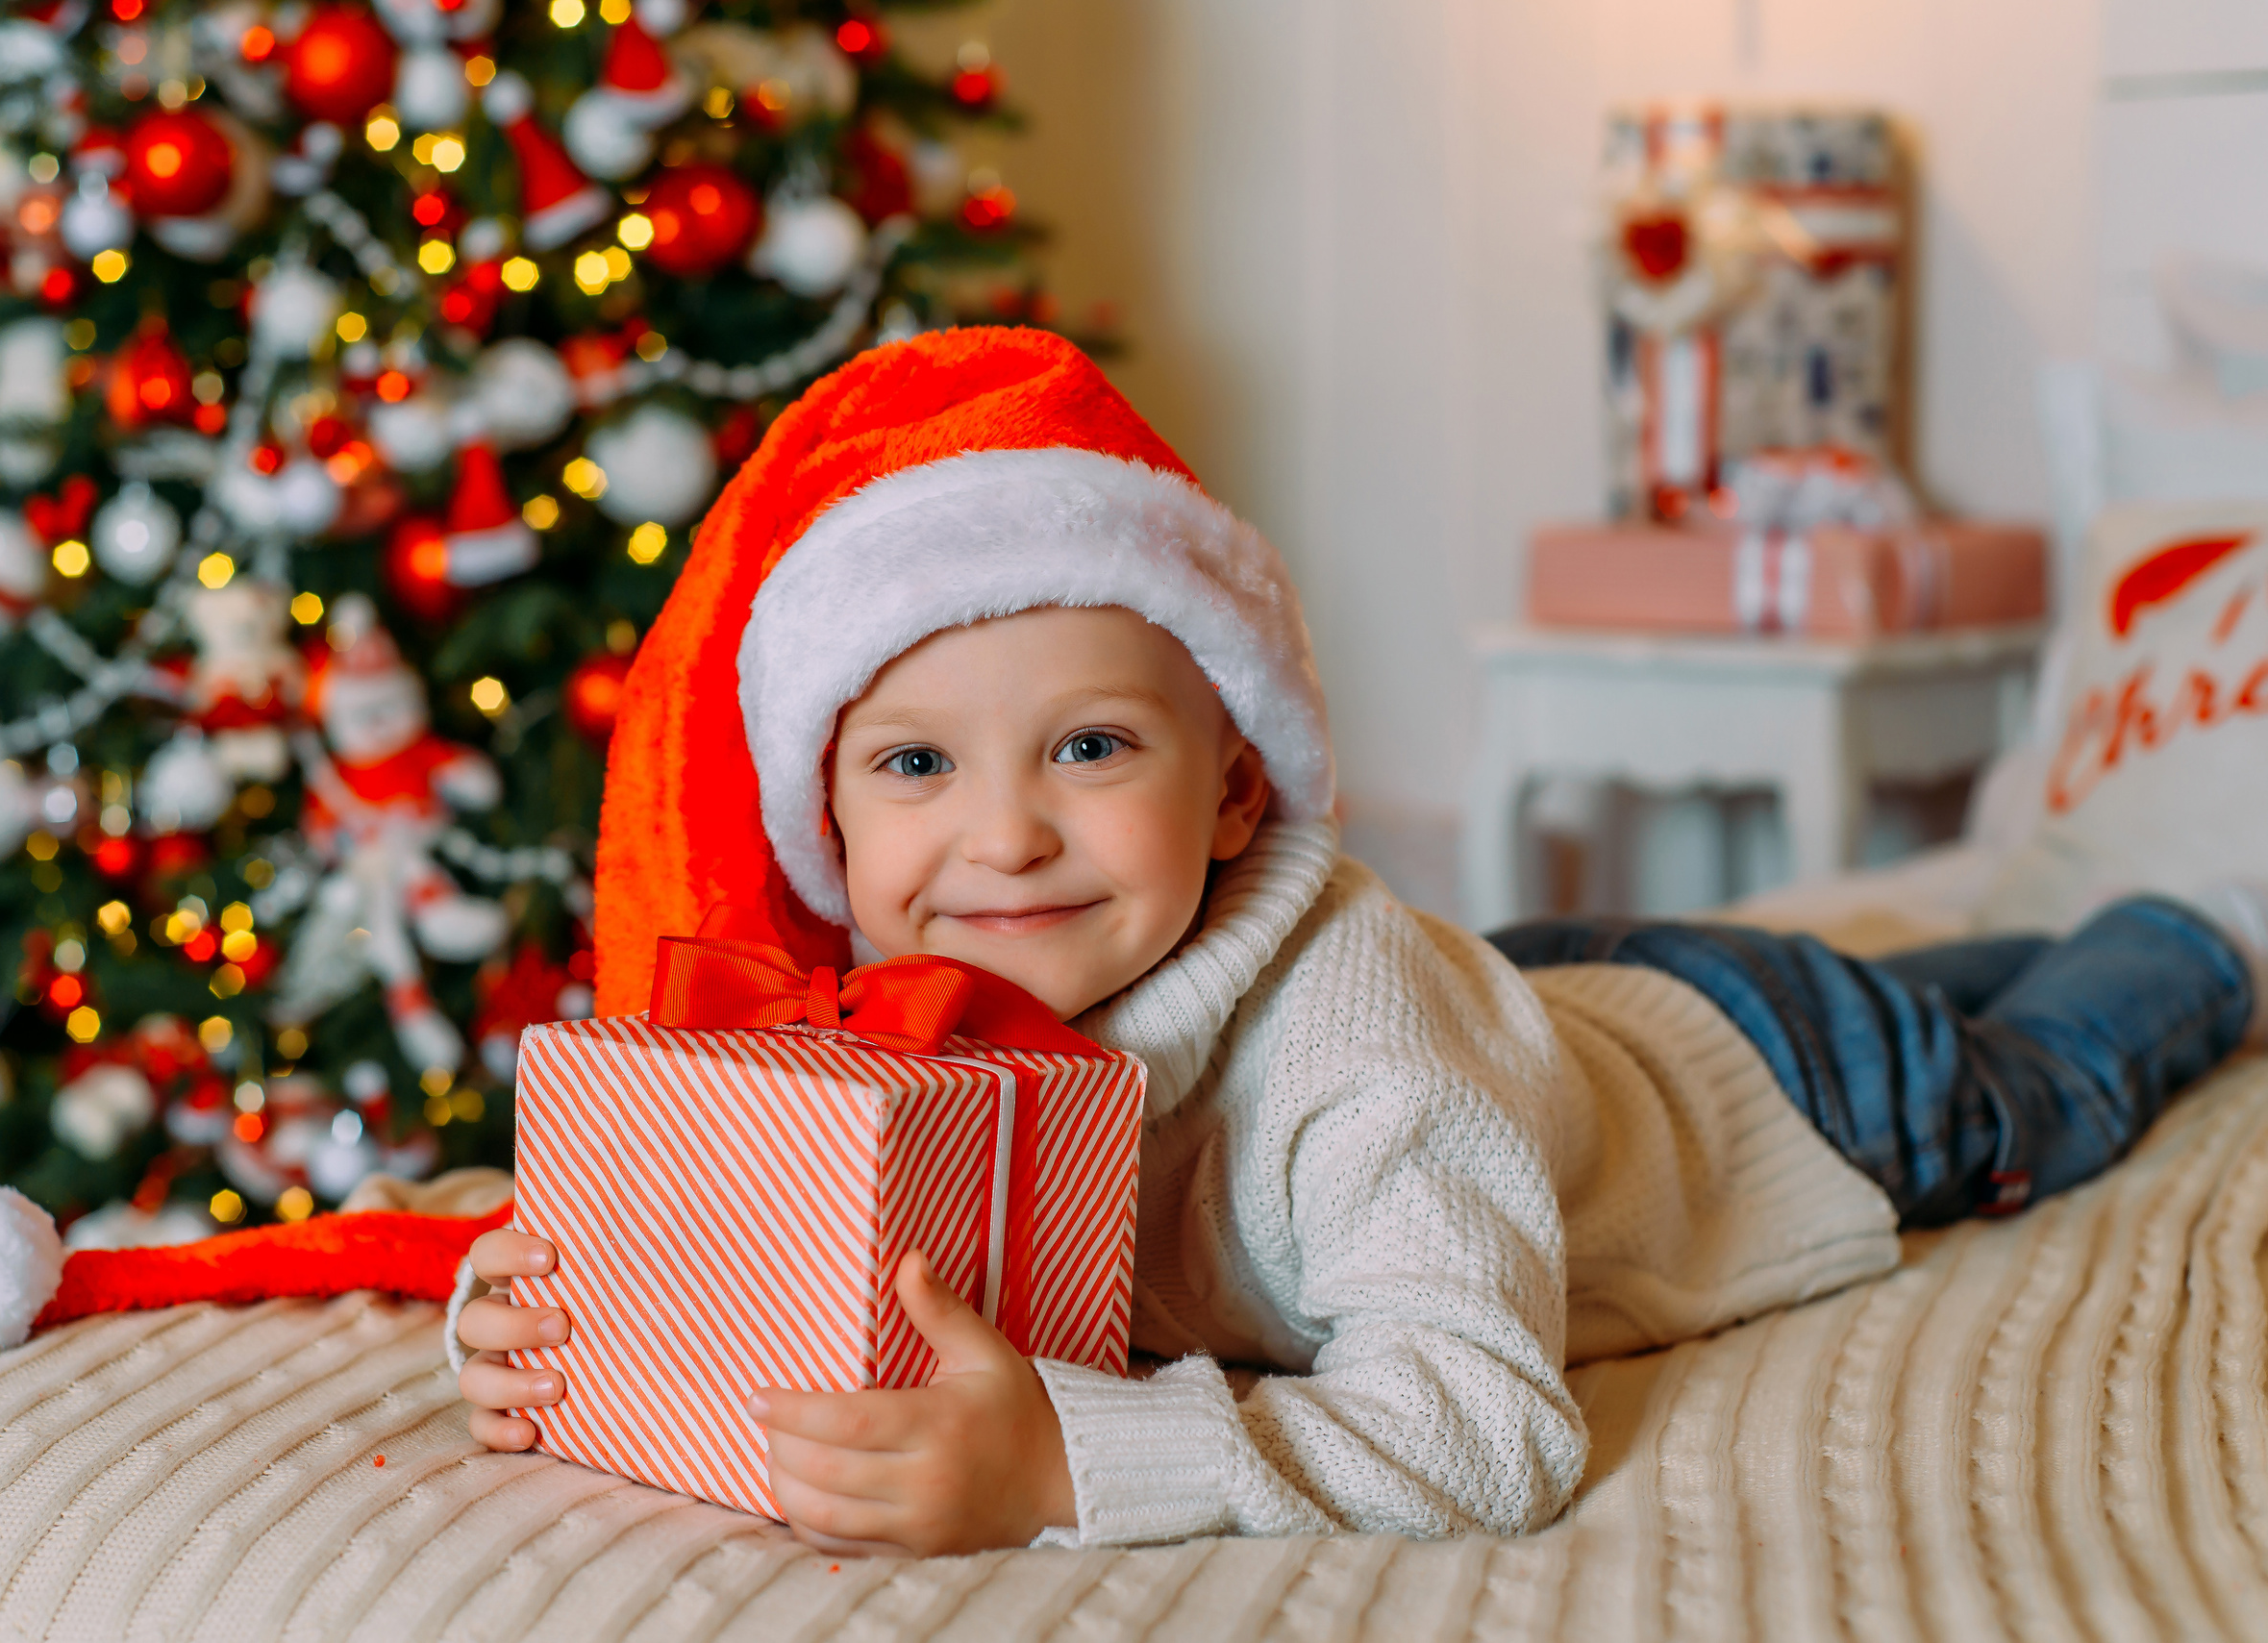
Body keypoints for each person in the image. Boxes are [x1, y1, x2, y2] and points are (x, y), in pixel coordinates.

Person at [451, 328, 2266, 1557]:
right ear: (829, 823)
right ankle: (2006, 916)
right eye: (917, 763)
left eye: (1092, 748)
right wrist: (538, 1308)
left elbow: (1490, 1422)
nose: (1000, 834)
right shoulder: (868, 1022)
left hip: (1777, 1082)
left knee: (2039, 1067)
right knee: (1919, 946)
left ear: (1238, 790)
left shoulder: (1354, 1051)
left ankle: (2210, 909)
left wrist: (1072, 1462)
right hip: (1539, 993)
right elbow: (709, 1243)